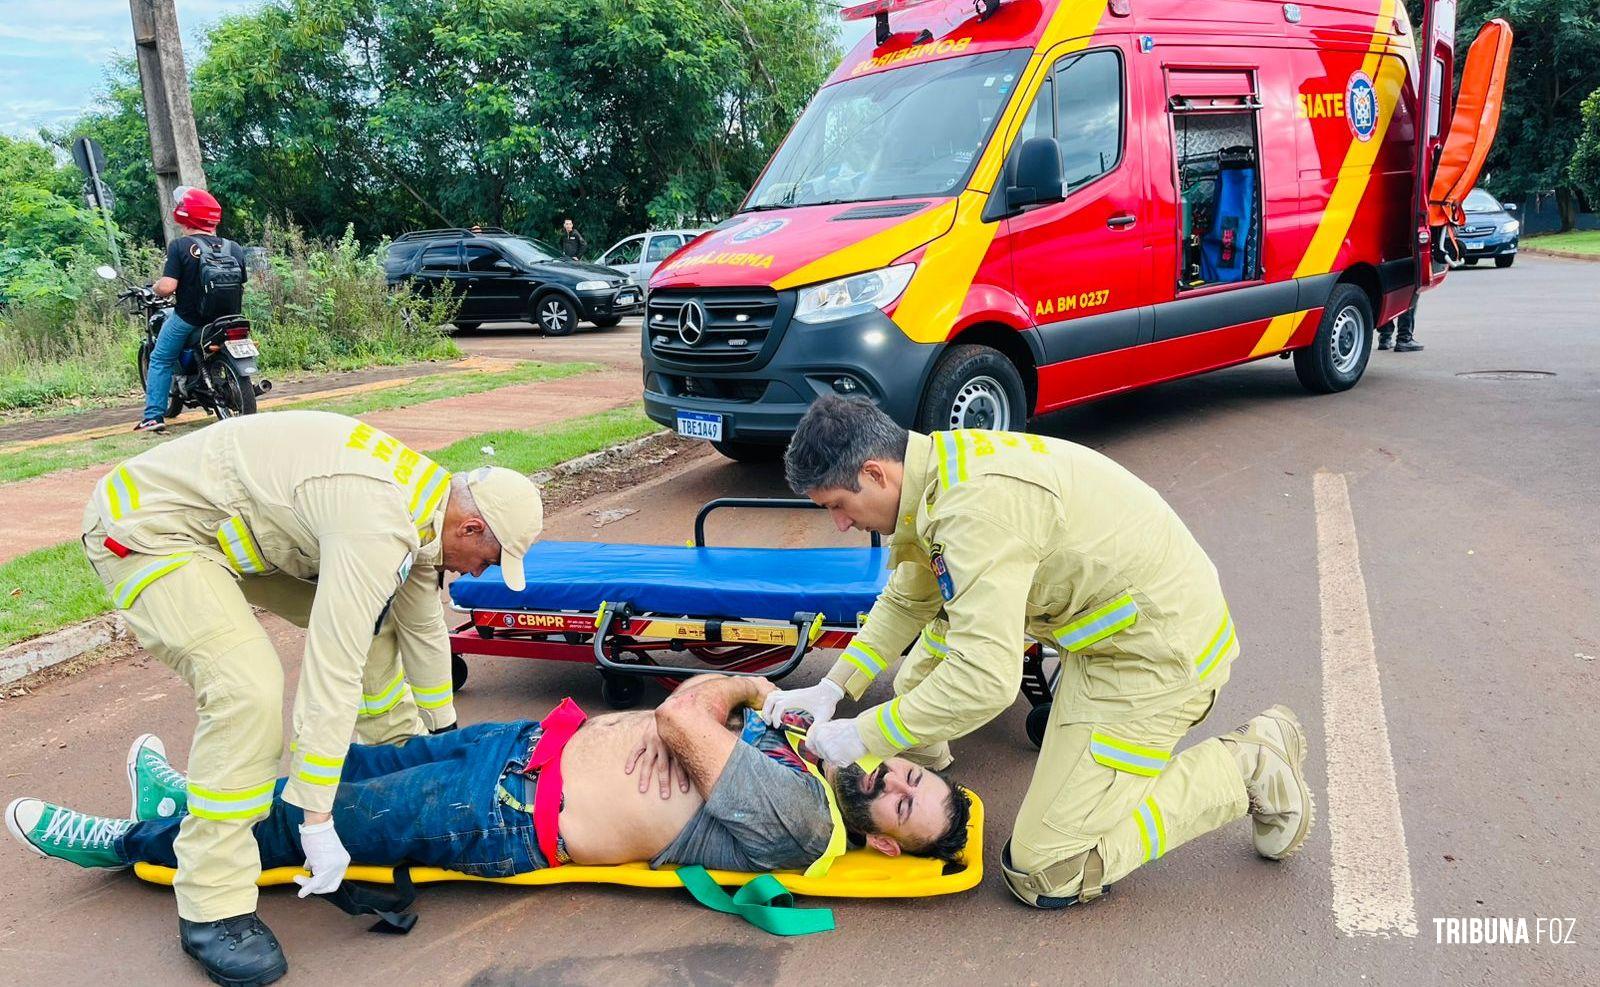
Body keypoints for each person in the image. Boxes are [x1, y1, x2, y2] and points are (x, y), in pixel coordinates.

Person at [763, 395, 1312, 910]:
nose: (839, 522)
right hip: (1114, 639)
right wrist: (833, 689)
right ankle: (927, 776)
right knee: (922, 679)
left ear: (875, 474)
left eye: (837, 504)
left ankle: (1248, 765)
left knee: (1046, 870)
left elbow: (986, 680)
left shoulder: (973, 513)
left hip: (1157, 660)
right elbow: (909, 596)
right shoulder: (940, 474)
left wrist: (863, 733)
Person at [78, 409, 543, 986]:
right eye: (492, 559)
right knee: (246, 687)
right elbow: (332, 670)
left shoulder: (426, 502)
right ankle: (212, 904)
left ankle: (386, 765)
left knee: (377, 621)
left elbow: (419, 623)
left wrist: (437, 744)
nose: (481, 571)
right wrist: (316, 822)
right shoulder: (377, 522)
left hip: (231, 527)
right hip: (147, 528)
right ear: (471, 529)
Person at [6, 676, 972, 938]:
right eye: (909, 775)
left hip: (509, 810)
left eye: (905, 806)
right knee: (328, 778)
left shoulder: (807, 819)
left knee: (311, 831)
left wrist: (737, 693)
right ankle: (184, 806)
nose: (893, 781)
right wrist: (754, 705)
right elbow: (697, 715)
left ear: (888, 846)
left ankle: (128, 842)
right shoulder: (808, 764)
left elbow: (684, 708)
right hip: (517, 745)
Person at [138, 186, 249, 434]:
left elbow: (167, 287)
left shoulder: (180, 247)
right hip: (229, 319)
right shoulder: (234, 248)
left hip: (190, 319)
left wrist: (155, 287)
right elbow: (241, 281)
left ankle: (152, 416)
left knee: (160, 358)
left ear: (185, 216)